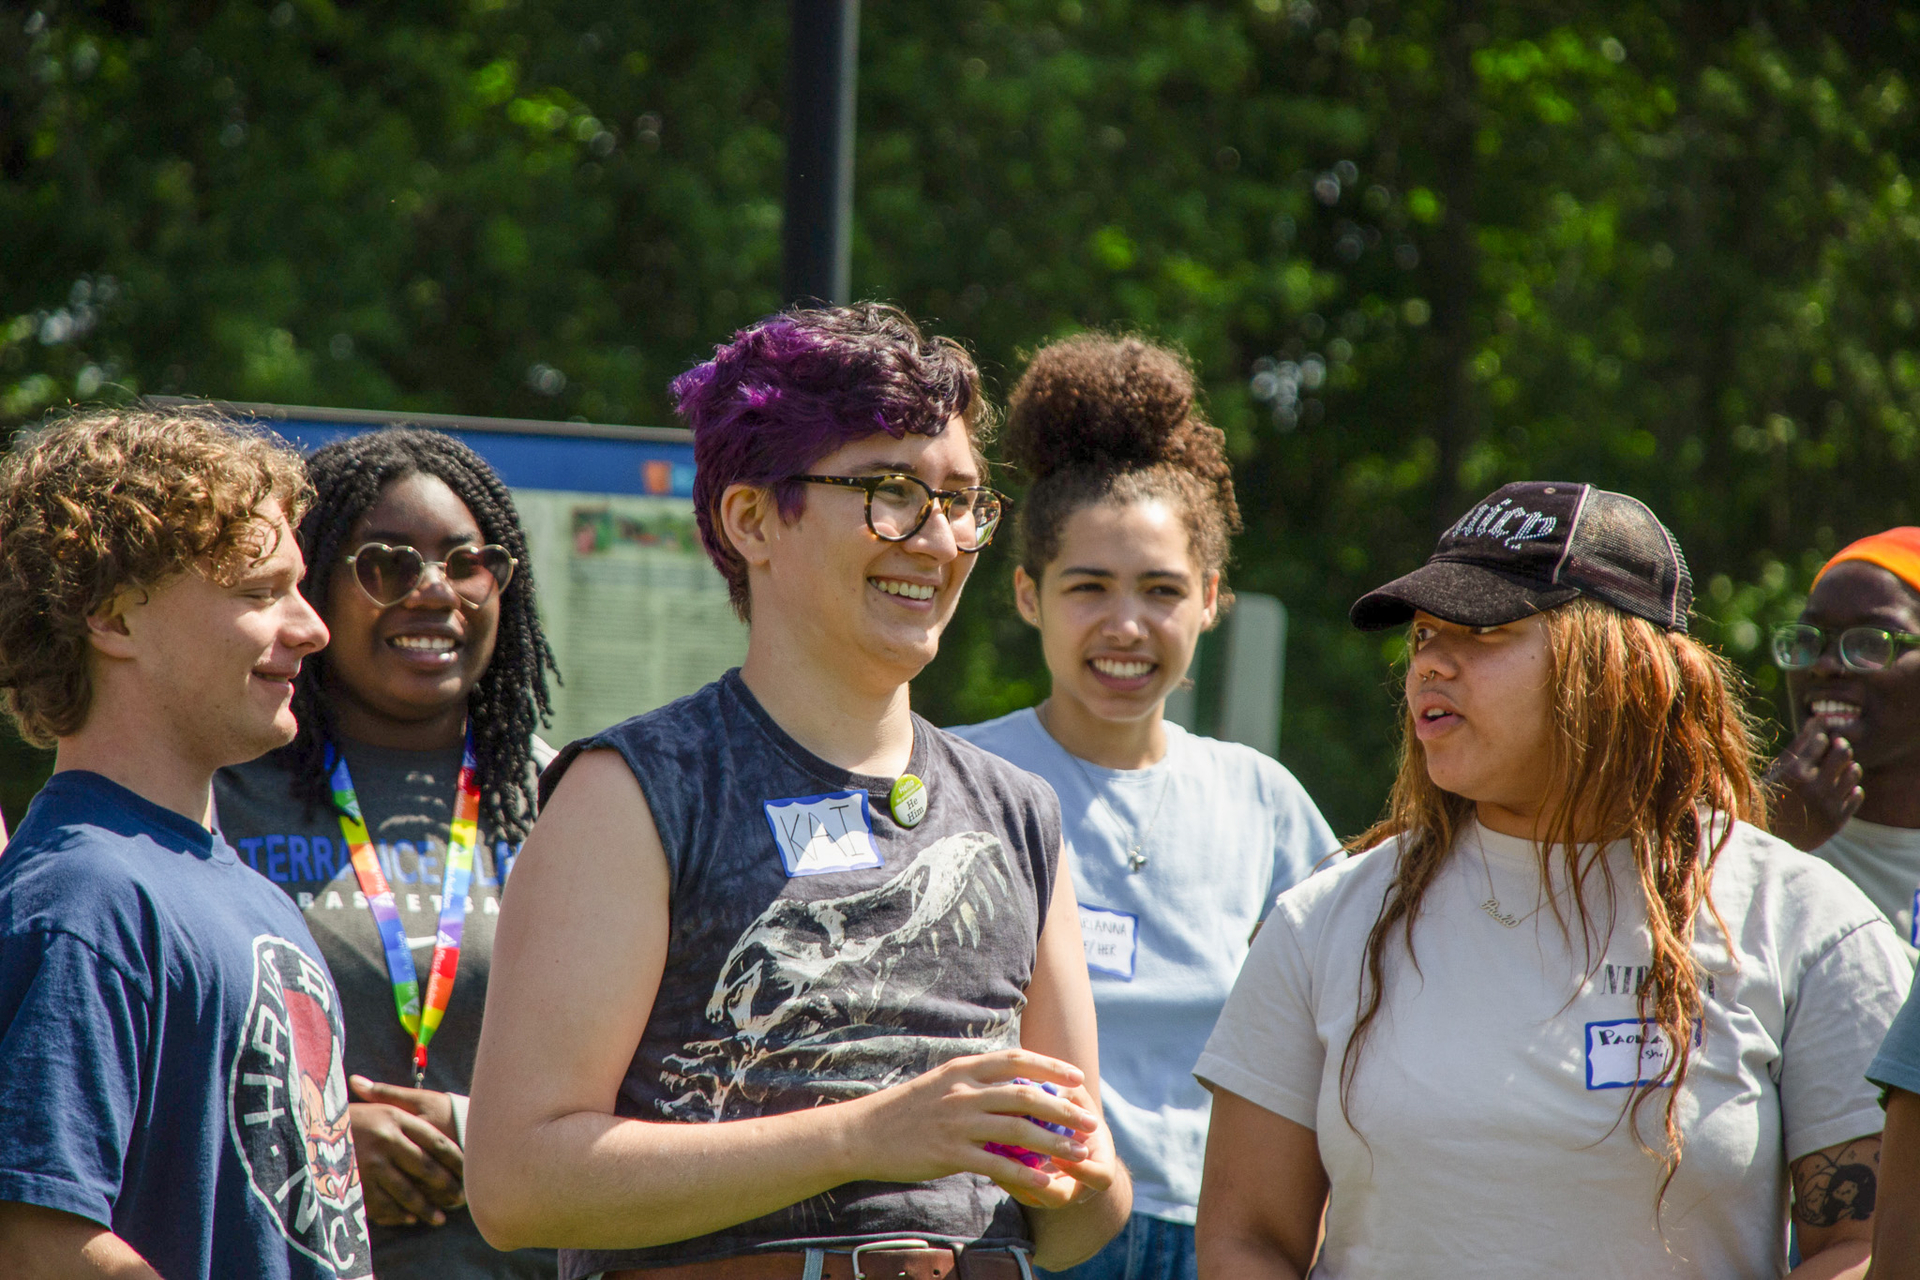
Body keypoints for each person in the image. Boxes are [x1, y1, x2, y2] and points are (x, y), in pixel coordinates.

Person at [463, 304, 1132, 1280]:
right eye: (890, 492)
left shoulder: (1018, 810)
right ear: (751, 519)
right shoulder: (632, 791)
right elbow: (517, 1184)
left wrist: (1074, 1176)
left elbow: (1079, 1213)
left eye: (961, 499)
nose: (938, 539)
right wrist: (867, 1135)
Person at [1193, 481, 1912, 1279]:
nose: (1431, 659)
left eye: (1485, 630)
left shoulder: (1805, 924)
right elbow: (1247, 1240)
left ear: (1622, 668)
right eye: (1426, 632)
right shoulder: (1322, 922)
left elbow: (1869, 1248)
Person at [949, 336, 1338, 1280]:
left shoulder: (1263, 798)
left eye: (1162, 591)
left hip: (1225, 1235)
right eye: (1088, 587)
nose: (1126, 627)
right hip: (1027, 1228)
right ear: (1027, 595)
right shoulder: (967, 779)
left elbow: (1350, 1013)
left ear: (1211, 601)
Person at [0, 408, 372, 1279]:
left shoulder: (248, 892)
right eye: (257, 592)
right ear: (114, 619)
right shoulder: (83, 898)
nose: (312, 629)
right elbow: (32, 1238)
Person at [215, 428, 561, 1279]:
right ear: (317, 585)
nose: (434, 592)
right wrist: (318, 1144)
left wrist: (477, 1131)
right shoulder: (219, 788)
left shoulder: (576, 799)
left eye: (468, 562)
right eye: (388, 565)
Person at [1766, 528, 1920, 955]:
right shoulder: (1746, 833)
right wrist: (1763, 842)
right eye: (1809, 638)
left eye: (1871, 642)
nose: (1825, 665)